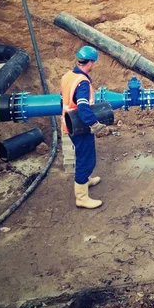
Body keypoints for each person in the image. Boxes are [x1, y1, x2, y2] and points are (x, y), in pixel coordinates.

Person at [61, 45, 106, 209]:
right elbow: (83, 107)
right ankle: (81, 198)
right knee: (86, 160)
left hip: (70, 123)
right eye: (94, 63)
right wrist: (94, 123)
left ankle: (85, 181)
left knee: (83, 154)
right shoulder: (83, 83)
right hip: (80, 126)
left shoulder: (68, 76)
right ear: (91, 62)